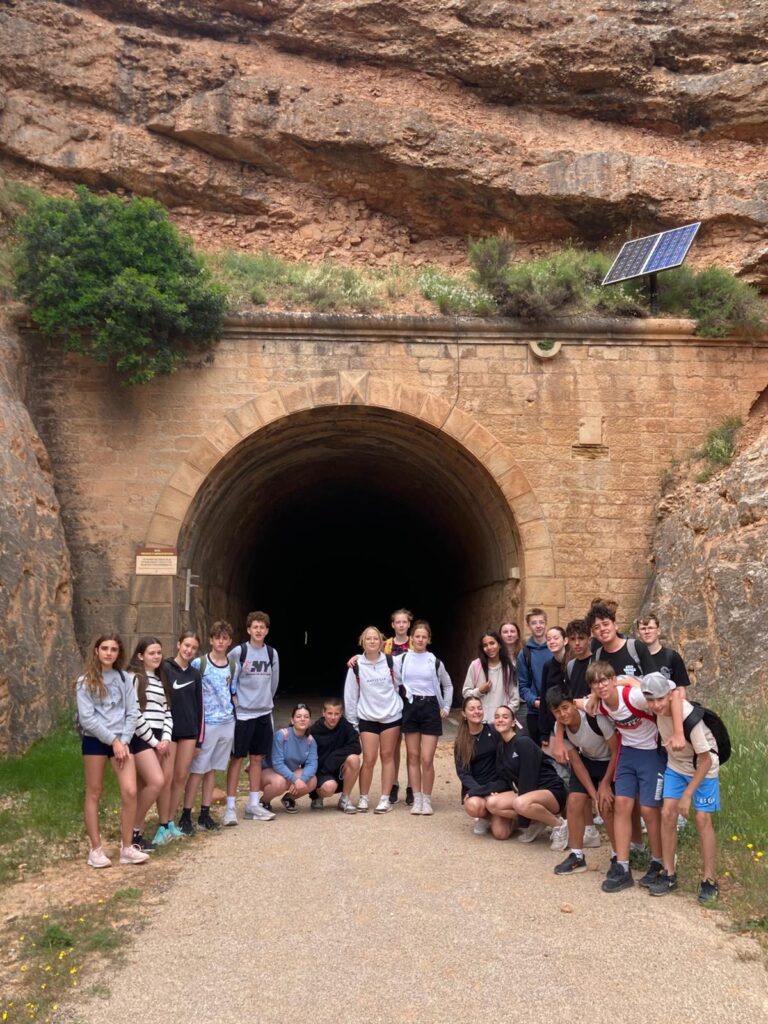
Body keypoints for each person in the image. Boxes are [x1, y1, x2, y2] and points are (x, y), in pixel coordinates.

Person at [641, 674, 721, 901]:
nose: (656, 705)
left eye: (660, 699)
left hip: (703, 768)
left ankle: (709, 880)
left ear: (668, 696)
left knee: (702, 818)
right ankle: (669, 873)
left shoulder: (689, 719)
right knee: (667, 813)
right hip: (676, 766)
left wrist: (687, 795)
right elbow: (631, 683)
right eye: (651, 700)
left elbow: (706, 761)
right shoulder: (659, 707)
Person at [590, 662, 668, 893]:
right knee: (622, 804)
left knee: (649, 810)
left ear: (613, 680)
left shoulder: (633, 697)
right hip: (628, 753)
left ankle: (658, 861)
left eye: (604, 680)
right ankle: (622, 866)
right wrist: (591, 698)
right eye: (595, 683)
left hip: (651, 751)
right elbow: (574, 704)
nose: (601, 686)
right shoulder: (599, 702)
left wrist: (632, 681)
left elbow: (667, 694)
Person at [76, 633, 148, 867]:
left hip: (123, 741)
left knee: (130, 791)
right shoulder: (85, 681)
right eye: (105, 648)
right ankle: (95, 850)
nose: (109, 653)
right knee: (94, 791)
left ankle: (127, 848)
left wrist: (123, 741)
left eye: (113, 649)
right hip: (96, 740)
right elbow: (87, 718)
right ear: (96, 651)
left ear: (119, 653)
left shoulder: (124, 679)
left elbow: (132, 712)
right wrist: (112, 741)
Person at [546, 686, 617, 873]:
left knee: (606, 806)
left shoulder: (595, 718)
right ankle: (577, 855)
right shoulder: (560, 728)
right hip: (588, 761)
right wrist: (594, 795)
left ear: (573, 704)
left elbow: (616, 750)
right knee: (574, 802)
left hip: (610, 761)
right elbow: (576, 763)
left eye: (565, 708)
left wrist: (605, 784)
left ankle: (618, 855)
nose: (562, 714)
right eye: (557, 711)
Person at [182, 621, 237, 833]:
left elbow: (232, 692)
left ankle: (204, 814)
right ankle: (186, 815)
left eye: (225, 638)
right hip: (207, 723)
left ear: (229, 642)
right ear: (211, 640)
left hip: (226, 722)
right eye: (217, 638)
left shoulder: (233, 666)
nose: (221, 642)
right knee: (197, 770)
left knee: (211, 769)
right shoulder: (200, 664)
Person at [394, 620, 453, 816]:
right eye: (417, 636)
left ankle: (427, 799)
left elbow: (447, 685)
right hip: (410, 707)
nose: (420, 639)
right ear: (411, 638)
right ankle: (416, 798)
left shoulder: (434, 661)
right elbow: (379, 660)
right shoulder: (403, 659)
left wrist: (446, 706)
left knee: (427, 759)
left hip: (430, 707)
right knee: (413, 756)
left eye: (424, 637)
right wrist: (357, 658)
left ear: (429, 640)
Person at [226, 611, 279, 824]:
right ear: (248, 629)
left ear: (267, 630)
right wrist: (236, 702)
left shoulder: (272, 653)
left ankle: (253, 804)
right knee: (237, 758)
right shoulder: (239, 652)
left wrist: (264, 700)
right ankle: (230, 807)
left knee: (257, 759)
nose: (258, 630)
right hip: (243, 714)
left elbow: (274, 682)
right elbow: (228, 678)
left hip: (263, 713)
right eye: (255, 627)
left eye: (262, 627)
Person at [486, 705, 568, 842]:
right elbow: (504, 778)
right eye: (497, 717)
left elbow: (528, 779)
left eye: (505, 717)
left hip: (551, 791)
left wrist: (524, 821)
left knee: (520, 803)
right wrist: (491, 791)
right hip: (527, 794)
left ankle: (559, 825)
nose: (500, 720)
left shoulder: (523, 742)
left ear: (513, 722)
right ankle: (537, 821)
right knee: (492, 803)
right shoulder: (501, 747)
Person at [344, 626, 403, 813]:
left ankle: (385, 799)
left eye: (375, 638)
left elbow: (400, 683)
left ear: (381, 642)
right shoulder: (356, 666)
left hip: (391, 715)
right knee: (369, 759)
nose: (372, 641)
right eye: (368, 639)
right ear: (362, 642)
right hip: (367, 716)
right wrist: (353, 723)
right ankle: (363, 798)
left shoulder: (391, 662)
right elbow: (350, 696)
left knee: (387, 756)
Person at [127, 637, 173, 851]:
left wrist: (165, 738)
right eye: (151, 653)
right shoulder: (134, 678)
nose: (156, 656)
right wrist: (154, 742)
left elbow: (167, 712)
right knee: (156, 781)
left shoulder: (160, 679)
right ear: (140, 655)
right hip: (140, 737)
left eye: (159, 653)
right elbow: (134, 713)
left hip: (159, 737)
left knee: (144, 786)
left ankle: (135, 836)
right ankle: (132, 829)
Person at [163, 631, 204, 836]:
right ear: (179, 644)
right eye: (186, 645)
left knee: (180, 777)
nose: (189, 650)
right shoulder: (165, 668)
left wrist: (199, 741)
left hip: (189, 733)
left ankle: (170, 821)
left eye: (194, 648)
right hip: (169, 731)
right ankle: (162, 823)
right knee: (167, 777)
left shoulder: (195, 674)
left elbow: (200, 707)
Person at [453, 696, 509, 838]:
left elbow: (504, 764)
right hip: (476, 788)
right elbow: (463, 773)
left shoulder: (494, 732)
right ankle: (486, 816)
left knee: (501, 834)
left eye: (479, 708)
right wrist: (479, 791)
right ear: (464, 713)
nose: (477, 711)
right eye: (472, 709)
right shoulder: (461, 740)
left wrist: (494, 789)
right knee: (473, 805)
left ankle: (517, 821)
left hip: (497, 787)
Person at [260, 704, 318, 812]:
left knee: (312, 780)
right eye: (298, 716)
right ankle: (264, 802)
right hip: (268, 771)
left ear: (309, 721)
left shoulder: (310, 741)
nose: (302, 719)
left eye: (306, 717)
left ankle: (289, 799)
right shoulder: (282, 735)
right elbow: (277, 763)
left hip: (288, 772)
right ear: (292, 720)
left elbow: (312, 764)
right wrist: (295, 780)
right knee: (280, 782)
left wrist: (302, 780)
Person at [309, 698, 362, 813]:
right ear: (323, 713)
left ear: (341, 714)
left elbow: (356, 747)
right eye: (329, 713)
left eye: (336, 714)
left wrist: (334, 757)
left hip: (339, 770)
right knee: (329, 788)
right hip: (322, 772)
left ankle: (345, 799)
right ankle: (317, 796)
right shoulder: (314, 730)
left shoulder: (346, 726)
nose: (333, 717)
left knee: (354, 759)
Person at [383, 607, 414, 804]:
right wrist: (356, 658)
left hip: (411, 699)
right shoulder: (385, 645)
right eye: (398, 622)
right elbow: (370, 659)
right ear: (393, 625)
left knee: (412, 746)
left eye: (404, 622)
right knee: (393, 745)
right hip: (392, 698)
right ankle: (393, 784)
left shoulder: (416, 642)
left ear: (409, 624)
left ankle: (412, 786)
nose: (401, 625)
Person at [462, 629, 519, 725]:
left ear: (499, 645)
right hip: (479, 723)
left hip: (501, 724)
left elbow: (515, 699)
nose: (489, 647)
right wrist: (479, 691)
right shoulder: (475, 665)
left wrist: (503, 716)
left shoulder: (509, 668)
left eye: (492, 643)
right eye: (485, 645)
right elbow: (465, 693)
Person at [587, 603, 656, 678]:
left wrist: (631, 682)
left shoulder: (636, 647)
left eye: (606, 624)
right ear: (593, 633)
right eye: (597, 627)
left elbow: (654, 680)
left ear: (615, 625)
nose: (602, 629)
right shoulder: (596, 658)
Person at [517, 608, 550, 745]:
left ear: (546, 623)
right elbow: (523, 686)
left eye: (541, 622)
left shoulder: (555, 647)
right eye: (534, 623)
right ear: (528, 625)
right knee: (537, 751)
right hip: (535, 713)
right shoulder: (525, 654)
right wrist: (535, 702)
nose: (538, 626)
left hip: (557, 710)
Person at [636, 613, 690, 694]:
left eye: (650, 628)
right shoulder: (634, 657)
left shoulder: (672, 657)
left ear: (658, 631)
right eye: (643, 629)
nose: (647, 632)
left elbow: (681, 690)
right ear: (637, 633)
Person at [538, 626, 568, 750]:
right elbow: (544, 698)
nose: (552, 642)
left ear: (565, 640)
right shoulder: (547, 666)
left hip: (572, 720)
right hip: (554, 721)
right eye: (549, 639)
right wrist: (544, 732)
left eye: (556, 638)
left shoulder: (573, 662)